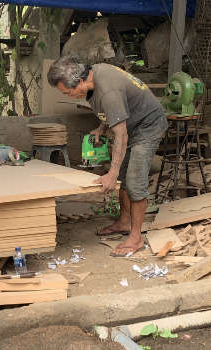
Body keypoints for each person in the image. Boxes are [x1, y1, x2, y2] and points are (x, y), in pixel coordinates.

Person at [47, 56, 168, 257]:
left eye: (69, 92)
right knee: (123, 178)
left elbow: (121, 134)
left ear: (79, 82)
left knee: (135, 180)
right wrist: (102, 128)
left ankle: (136, 238)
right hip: (131, 124)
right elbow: (114, 111)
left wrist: (111, 172)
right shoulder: (94, 75)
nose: (69, 96)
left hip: (148, 126)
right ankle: (123, 222)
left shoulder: (108, 91)